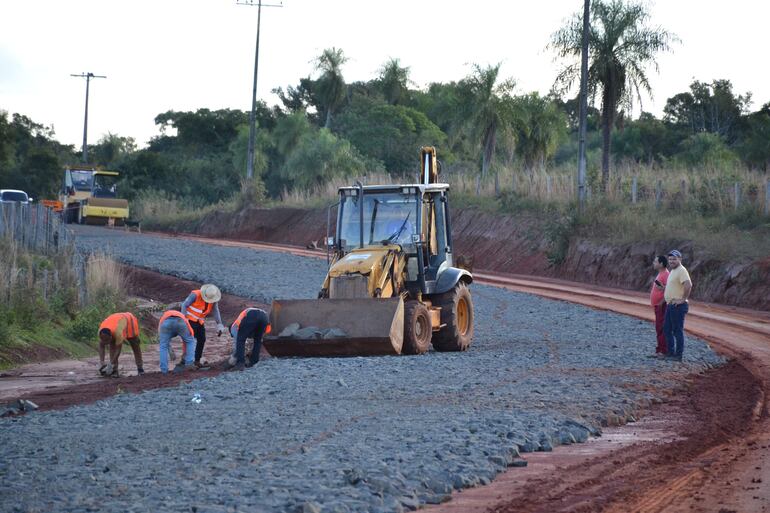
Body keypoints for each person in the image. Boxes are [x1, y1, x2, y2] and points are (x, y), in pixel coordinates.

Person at [182, 284, 225, 368]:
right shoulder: (195, 295)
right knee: (190, 341)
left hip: (200, 322)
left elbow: (215, 310)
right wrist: (184, 319)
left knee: (202, 339)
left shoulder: (213, 299)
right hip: (189, 320)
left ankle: (197, 360)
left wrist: (219, 324)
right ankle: (186, 361)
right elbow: (184, 305)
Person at [663, 250, 692, 362]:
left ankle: (678, 355)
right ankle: (670, 353)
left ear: (680, 259)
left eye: (674, 259)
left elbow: (688, 285)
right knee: (667, 329)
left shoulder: (681, 270)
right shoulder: (673, 271)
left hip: (678, 306)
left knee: (677, 331)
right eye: (670, 259)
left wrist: (683, 299)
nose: (672, 261)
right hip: (670, 305)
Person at [98, 312, 144, 377]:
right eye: (104, 340)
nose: (106, 342)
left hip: (129, 320)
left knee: (135, 344)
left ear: (111, 336)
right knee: (112, 345)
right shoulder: (100, 332)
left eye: (107, 340)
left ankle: (140, 368)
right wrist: (102, 362)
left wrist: (110, 364)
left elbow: (118, 350)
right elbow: (101, 346)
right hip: (115, 321)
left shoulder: (118, 333)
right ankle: (114, 371)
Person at [158, 309, 197, 374]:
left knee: (163, 346)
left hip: (166, 323)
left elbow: (160, 336)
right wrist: (185, 355)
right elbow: (190, 335)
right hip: (180, 321)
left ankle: (164, 370)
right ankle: (189, 364)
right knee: (190, 341)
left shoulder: (163, 317)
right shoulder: (183, 316)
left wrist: (169, 349)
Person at [649, 255, 670, 356]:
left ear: (661, 264)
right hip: (658, 305)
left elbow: (669, 290)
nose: (654, 263)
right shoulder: (661, 273)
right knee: (659, 327)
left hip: (662, 305)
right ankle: (660, 349)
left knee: (661, 327)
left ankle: (663, 350)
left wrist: (662, 302)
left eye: (655, 261)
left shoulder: (665, 274)